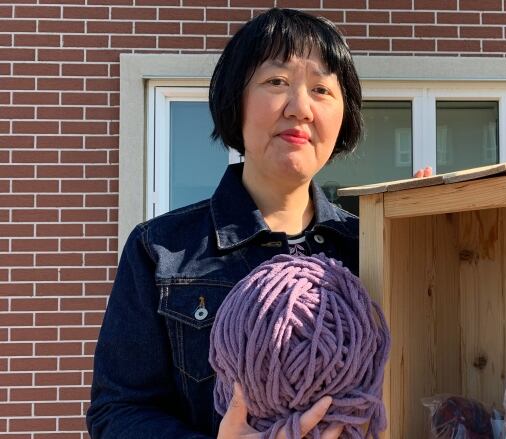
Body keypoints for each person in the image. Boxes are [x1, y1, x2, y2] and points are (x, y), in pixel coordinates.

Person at [86, 8, 430, 438]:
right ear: (237, 100)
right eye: (276, 82)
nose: (300, 107)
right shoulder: (162, 250)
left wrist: (429, 233)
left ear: (344, 116)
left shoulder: (371, 246)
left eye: (322, 89)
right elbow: (117, 412)